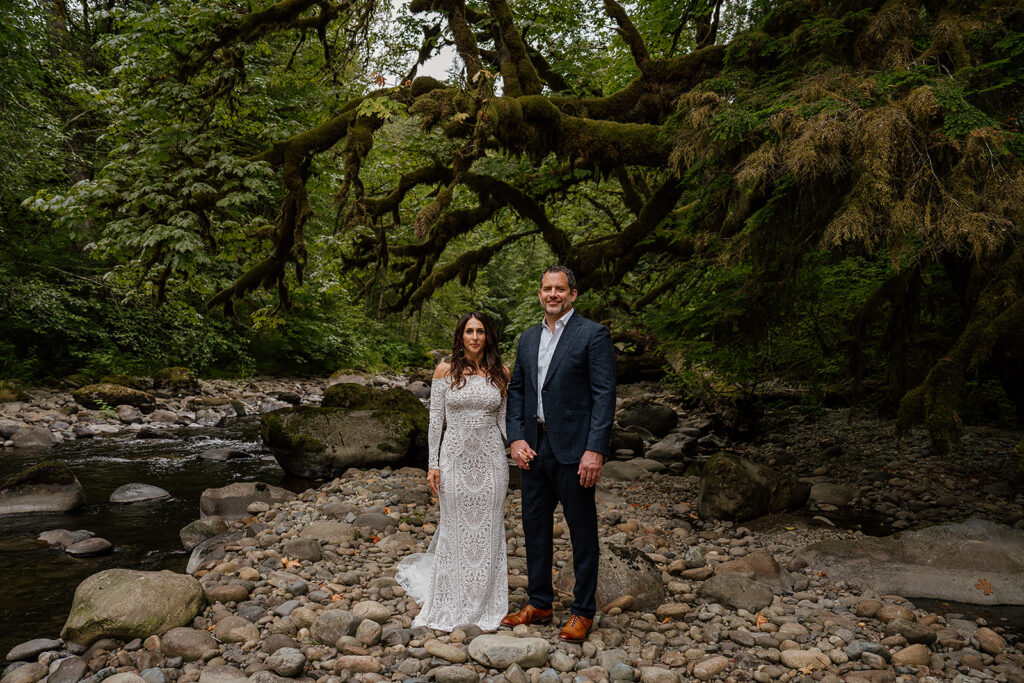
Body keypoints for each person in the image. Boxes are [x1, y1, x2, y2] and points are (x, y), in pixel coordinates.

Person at [503, 265, 616, 643]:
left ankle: (583, 611)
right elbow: (517, 391)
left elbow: (604, 396)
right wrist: (516, 438)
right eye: (547, 289)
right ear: (540, 294)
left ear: (573, 294)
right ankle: (540, 602)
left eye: (560, 289)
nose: (553, 294)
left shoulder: (593, 335)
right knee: (535, 528)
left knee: (582, 531)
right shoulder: (527, 338)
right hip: (533, 447)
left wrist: (595, 450)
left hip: (575, 449)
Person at [395, 311, 511, 631]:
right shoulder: (445, 370)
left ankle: (485, 601)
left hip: (491, 463)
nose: (474, 337)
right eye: (469, 331)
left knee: (488, 532)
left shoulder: (501, 371)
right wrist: (433, 464)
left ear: (488, 336)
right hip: (455, 461)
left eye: (481, 331)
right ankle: (452, 599)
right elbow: (435, 421)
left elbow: (504, 420)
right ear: (461, 335)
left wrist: (521, 446)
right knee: (455, 530)